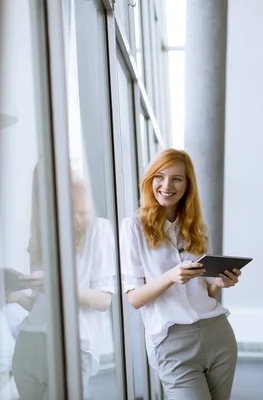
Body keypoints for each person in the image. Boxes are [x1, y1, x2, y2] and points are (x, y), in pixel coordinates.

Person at [120, 149, 242, 400]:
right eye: (159, 177)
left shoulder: (198, 228)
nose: (166, 185)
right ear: (150, 180)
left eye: (177, 179)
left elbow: (206, 291)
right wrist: (170, 276)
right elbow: (134, 299)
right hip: (172, 339)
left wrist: (220, 283)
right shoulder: (133, 227)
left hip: (217, 332)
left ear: (187, 185)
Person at [10, 171, 115, 399]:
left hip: (72, 346)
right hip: (29, 342)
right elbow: (42, 305)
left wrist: (56, 285)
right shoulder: (39, 234)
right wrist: (16, 297)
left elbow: (103, 300)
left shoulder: (98, 229)